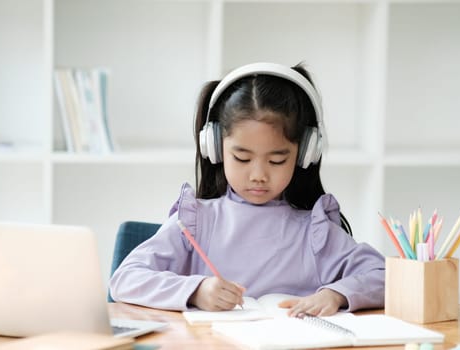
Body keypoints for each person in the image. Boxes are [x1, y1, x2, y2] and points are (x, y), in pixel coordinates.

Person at [109, 62, 385, 316]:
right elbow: (125, 279)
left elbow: (387, 276)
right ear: (215, 148)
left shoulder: (315, 233)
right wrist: (196, 291)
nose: (258, 176)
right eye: (242, 158)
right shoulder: (196, 221)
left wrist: (336, 294)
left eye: (277, 160)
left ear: (304, 155)